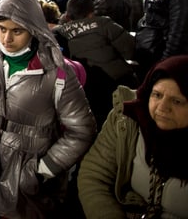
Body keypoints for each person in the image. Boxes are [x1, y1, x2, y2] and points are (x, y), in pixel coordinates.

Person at [0, 0, 96, 218]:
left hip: (32, 169)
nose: (6, 38)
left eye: (17, 31)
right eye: (1, 29)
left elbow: (82, 130)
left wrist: (43, 170)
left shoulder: (57, 73)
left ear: (34, 30)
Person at [77, 55, 188, 218]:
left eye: (177, 101)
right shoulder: (127, 119)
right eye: (156, 95)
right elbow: (94, 175)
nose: (163, 107)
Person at [53, 0, 137, 127]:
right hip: (116, 82)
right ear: (91, 13)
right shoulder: (103, 23)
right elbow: (130, 49)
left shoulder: (59, 33)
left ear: (68, 16)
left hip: (83, 90)